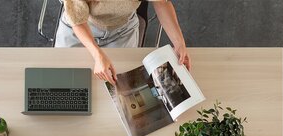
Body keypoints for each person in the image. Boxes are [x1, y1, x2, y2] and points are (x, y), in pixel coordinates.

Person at [55, 0, 191, 85]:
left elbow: (162, 3)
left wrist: (179, 43)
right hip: (80, 27)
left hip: (122, 30)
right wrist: (97, 55)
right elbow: (78, 21)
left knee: (121, 85)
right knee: (63, 81)